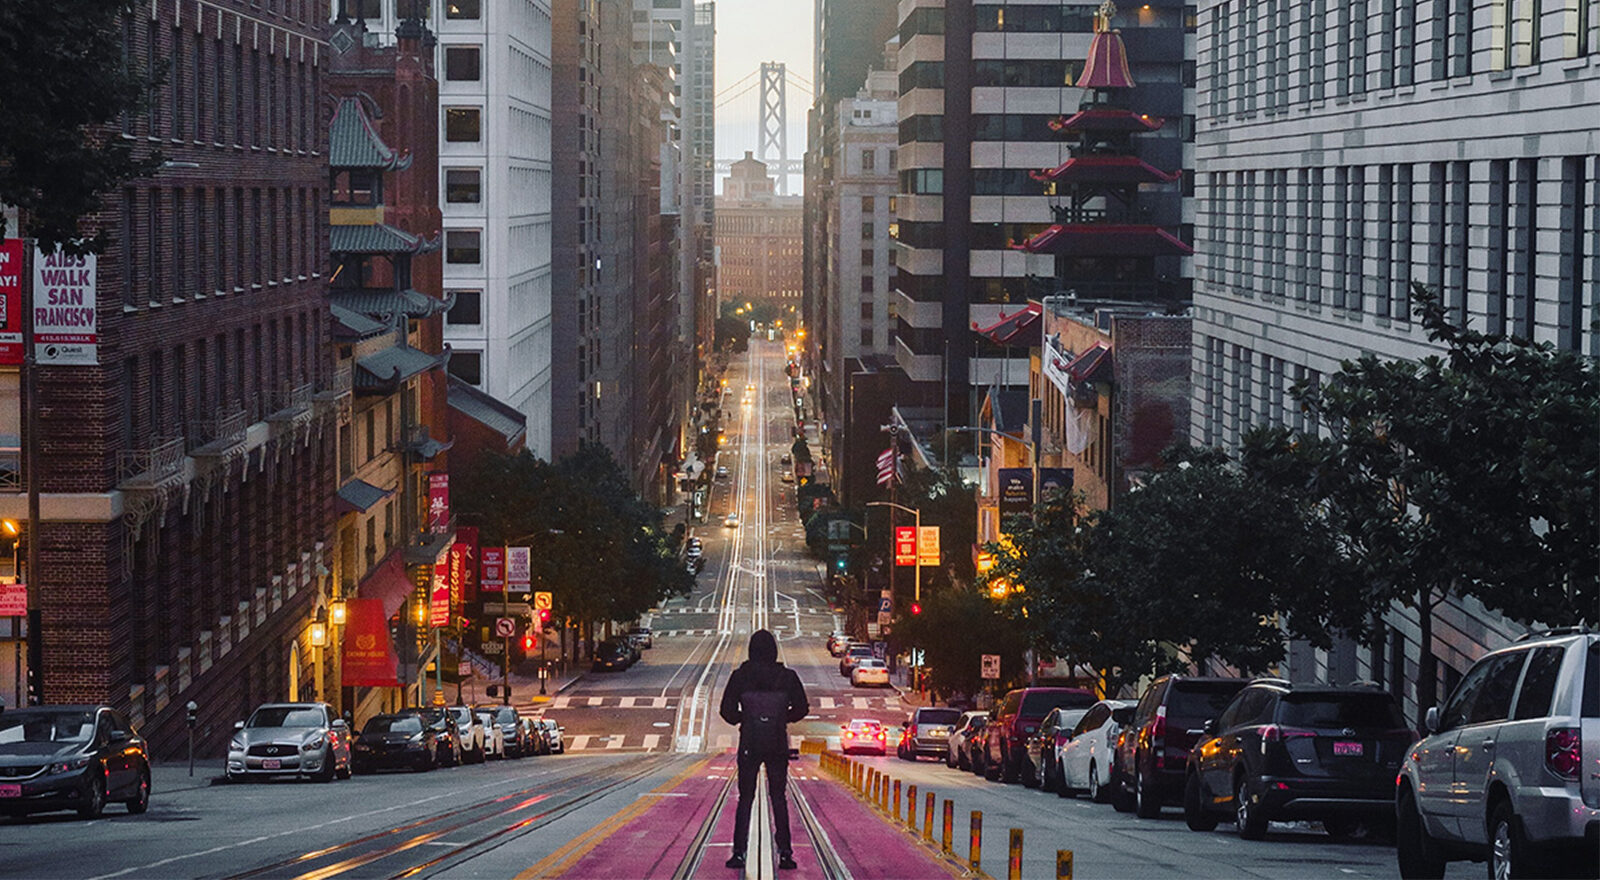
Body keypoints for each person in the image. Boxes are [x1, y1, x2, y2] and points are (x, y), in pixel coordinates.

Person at [718, 629, 809, 871]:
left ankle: (738, 852)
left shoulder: (740, 676)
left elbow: (726, 711)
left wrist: (745, 719)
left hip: (749, 742)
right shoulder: (787, 677)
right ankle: (786, 853)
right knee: (778, 798)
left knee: (745, 798)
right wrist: (781, 718)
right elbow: (802, 707)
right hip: (777, 743)